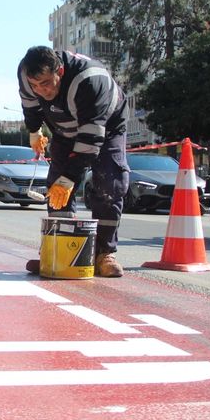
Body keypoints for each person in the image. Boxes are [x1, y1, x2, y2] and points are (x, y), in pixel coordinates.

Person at [18, 46, 129, 278]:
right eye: (35, 85)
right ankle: (59, 252)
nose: (41, 90)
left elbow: (90, 140)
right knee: (56, 188)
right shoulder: (26, 74)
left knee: (110, 182)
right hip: (64, 130)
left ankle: (104, 253)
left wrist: (71, 177)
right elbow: (30, 105)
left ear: (60, 70)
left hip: (105, 127)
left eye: (46, 83)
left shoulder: (89, 81)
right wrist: (34, 130)